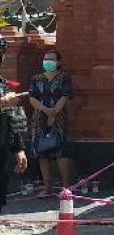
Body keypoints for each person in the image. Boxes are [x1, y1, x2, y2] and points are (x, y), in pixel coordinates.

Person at [28, 49, 73, 197]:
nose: (47, 62)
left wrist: (53, 113)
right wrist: (45, 110)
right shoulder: (36, 79)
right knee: (42, 152)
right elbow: (32, 98)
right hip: (39, 118)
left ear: (58, 62)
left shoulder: (64, 77)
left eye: (51, 59)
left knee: (61, 151)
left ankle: (66, 187)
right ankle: (47, 187)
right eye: (46, 59)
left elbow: (65, 96)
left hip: (59, 118)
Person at [0, 39, 29, 210]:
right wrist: (2, 101)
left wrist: (19, 148)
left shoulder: (2, 82)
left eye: (2, 52)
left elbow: (10, 116)